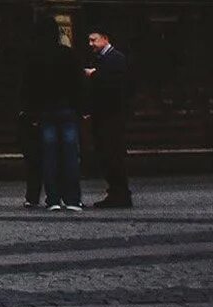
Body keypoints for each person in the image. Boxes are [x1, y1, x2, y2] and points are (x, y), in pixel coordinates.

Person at [21, 30, 86, 211]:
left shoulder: (36, 58)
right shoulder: (69, 55)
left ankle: (54, 199)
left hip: (46, 111)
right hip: (67, 109)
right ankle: (72, 199)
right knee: (71, 155)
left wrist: (32, 113)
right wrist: (80, 109)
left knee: (49, 156)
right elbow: (79, 84)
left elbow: (29, 87)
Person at [84, 28, 134, 208]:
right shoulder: (104, 58)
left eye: (93, 40)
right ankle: (115, 192)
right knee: (107, 154)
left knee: (113, 153)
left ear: (105, 38)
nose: (91, 44)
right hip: (104, 114)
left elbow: (114, 84)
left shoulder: (116, 58)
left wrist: (94, 75)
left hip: (111, 115)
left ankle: (120, 193)